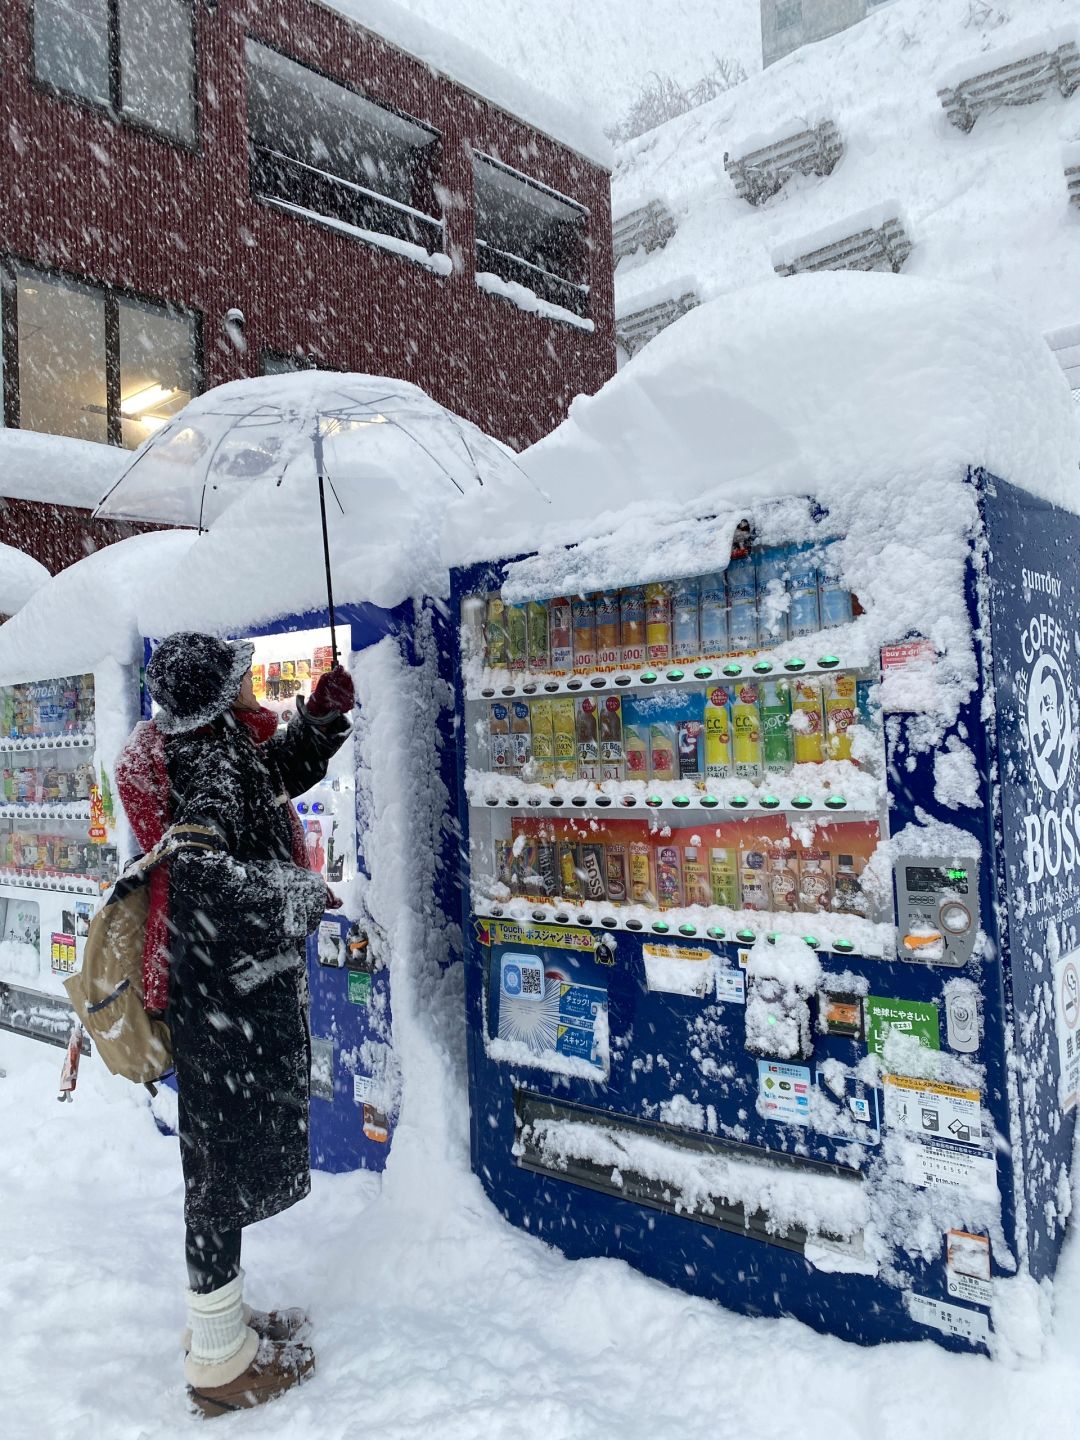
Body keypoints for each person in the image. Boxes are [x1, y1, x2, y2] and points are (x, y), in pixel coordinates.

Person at [116, 632, 354, 1417]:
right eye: (241, 678)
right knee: (219, 1179)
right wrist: (295, 894)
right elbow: (203, 873)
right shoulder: (212, 760)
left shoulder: (211, 748)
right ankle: (219, 1361)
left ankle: (224, 1323)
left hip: (220, 993)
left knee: (221, 1166)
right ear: (218, 696)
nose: (253, 685)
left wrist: (317, 725)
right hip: (227, 997)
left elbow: (272, 780)